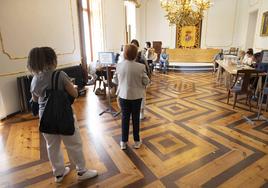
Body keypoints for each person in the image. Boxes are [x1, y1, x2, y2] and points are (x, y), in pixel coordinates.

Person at [28, 47, 98, 183]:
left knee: (52, 146)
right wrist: (72, 87)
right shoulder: (59, 75)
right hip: (64, 115)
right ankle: (82, 171)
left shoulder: (34, 79)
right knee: (73, 143)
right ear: (52, 60)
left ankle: (59, 173)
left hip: (45, 118)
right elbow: (74, 94)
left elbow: (35, 100)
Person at [112, 44, 150, 150]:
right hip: (137, 96)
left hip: (123, 95)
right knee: (135, 118)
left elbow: (114, 80)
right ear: (135, 54)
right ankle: (137, 141)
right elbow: (146, 81)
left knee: (124, 118)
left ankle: (123, 142)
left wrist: (122, 83)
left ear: (125, 54)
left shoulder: (119, 66)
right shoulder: (140, 67)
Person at [130, 39, 151, 120]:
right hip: (132, 80)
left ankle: (141, 112)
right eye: (132, 45)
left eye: (135, 45)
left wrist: (148, 79)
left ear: (138, 47)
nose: (134, 47)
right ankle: (134, 112)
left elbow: (146, 67)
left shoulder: (141, 56)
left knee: (142, 96)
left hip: (140, 79)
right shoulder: (128, 55)